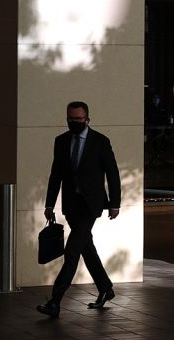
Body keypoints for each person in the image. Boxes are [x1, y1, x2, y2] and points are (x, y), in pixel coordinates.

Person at [36, 101, 121, 318]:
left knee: (72, 250)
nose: (74, 122)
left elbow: (112, 173)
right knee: (86, 248)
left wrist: (115, 203)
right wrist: (48, 204)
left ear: (87, 119)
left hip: (91, 206)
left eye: (78, 119)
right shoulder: (61, 141)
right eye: (70, 119)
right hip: (71, 205)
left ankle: (55, 301)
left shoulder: (100, 141)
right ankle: (105, 288)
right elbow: (56, 175)